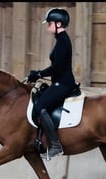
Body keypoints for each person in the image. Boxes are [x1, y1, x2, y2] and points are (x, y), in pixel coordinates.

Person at [28, 7, 78, 159]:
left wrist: (39, 74)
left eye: (50, 23)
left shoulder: (63, 41)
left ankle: (55, 145)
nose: (48, 26)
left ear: (58, 23)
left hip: (63, 83)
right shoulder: (60, 40)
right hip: (59, 82)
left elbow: (57, 68)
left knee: (40, 107)